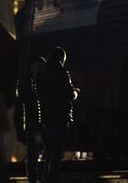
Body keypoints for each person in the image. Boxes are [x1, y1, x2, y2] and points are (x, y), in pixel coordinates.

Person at [40, 47, 79, 183]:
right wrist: (75, 93)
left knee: (49, 150)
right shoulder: (61, 71)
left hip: (45, 116)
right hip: (59, 115)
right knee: (56, 151)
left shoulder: (42, 72)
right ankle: (53, 177)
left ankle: (45, 176)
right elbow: (69, 93)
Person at [17, 56, 46, 183]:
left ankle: (42, 176)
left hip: (42, 121)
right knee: (33, 153)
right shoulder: (27, 80)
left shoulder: (43, 78)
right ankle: (33, 178)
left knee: (43, 151)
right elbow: (25, 96)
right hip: (34, 121)